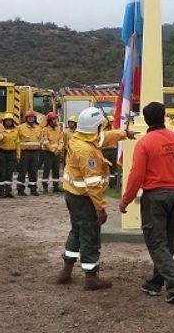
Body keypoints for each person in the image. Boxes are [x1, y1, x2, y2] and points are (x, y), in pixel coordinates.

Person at [120, 102, 174, 303]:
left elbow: (136, 176)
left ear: (146, 119)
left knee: (156, 241)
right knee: (168, 241)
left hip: (155, 197)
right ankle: (154, 283)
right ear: (164, 116)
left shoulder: (144, 143)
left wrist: (125, 201)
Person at [56, 107, 130, 291]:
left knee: (76, 231)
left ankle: (66, 271)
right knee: (90, 235)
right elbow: (93, 184)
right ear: (95, 127)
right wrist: (100, 208)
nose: (102, 129)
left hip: (73, 195)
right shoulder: (86, 151)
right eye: (100, 126)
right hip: (85, 199)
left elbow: (103, 138)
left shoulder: (78, 138)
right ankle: (91, 278)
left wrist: (124, 134)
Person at [16, 110, 41, 196]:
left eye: (32, 117)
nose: (31, 119)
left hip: (35, 152)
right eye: (29, 117)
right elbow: (17, 141)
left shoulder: (38, 128)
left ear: (35, 118)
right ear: (26, 118)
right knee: (22, 171)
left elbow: (41, 140)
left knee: (33, 171)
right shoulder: (20, 128)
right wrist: (18, 154)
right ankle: (20, 190)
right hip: (24, 153)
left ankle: (33, 189)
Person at [41, 112, 64, 194]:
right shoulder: (45, 130)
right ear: (49, 120)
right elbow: (45, 142)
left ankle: (56, 186)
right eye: (54, 119)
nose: (55, 121)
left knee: (56, 169)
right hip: (48, 153)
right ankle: (45, 187)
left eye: (56, 119)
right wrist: (53, 150)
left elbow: (61, 141)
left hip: (56, 153)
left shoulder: (58, 129)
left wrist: (58, 150)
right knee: (47, 169)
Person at [0, 113, 19, 198]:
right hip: (2, 153)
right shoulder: (0, 130)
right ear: (4, 122)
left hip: (12, 153)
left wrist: (18, 155)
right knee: (1, 172)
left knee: (9, 173)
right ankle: (0, 192)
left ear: (12, 122)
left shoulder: (15, 131)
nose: (8, 122)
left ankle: (8, 191)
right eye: (7, 121)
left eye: (10, 121)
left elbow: (17, 143)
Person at [100, 116, 119, 188]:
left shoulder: (114, 130)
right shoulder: (102, 131)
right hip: (104, 150)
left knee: (113, 168)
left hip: (113, 150)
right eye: (110, 122)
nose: (111, 123)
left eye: (112, 122)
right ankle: (103, 183)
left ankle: (113, 184)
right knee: (103, 168)